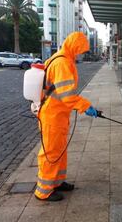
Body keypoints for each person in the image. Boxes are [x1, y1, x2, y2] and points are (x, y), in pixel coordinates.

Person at [34, 31, 98, 202]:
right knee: (51, 153)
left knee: (60, 151)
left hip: (58, 114)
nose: (81, 53)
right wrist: (86, 107)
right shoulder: (62, 62)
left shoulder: (62, 59)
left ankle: (57, 182)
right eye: (80, 50)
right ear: (73, 46)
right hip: (52, 115)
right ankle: (44, 191)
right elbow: (67, 96)